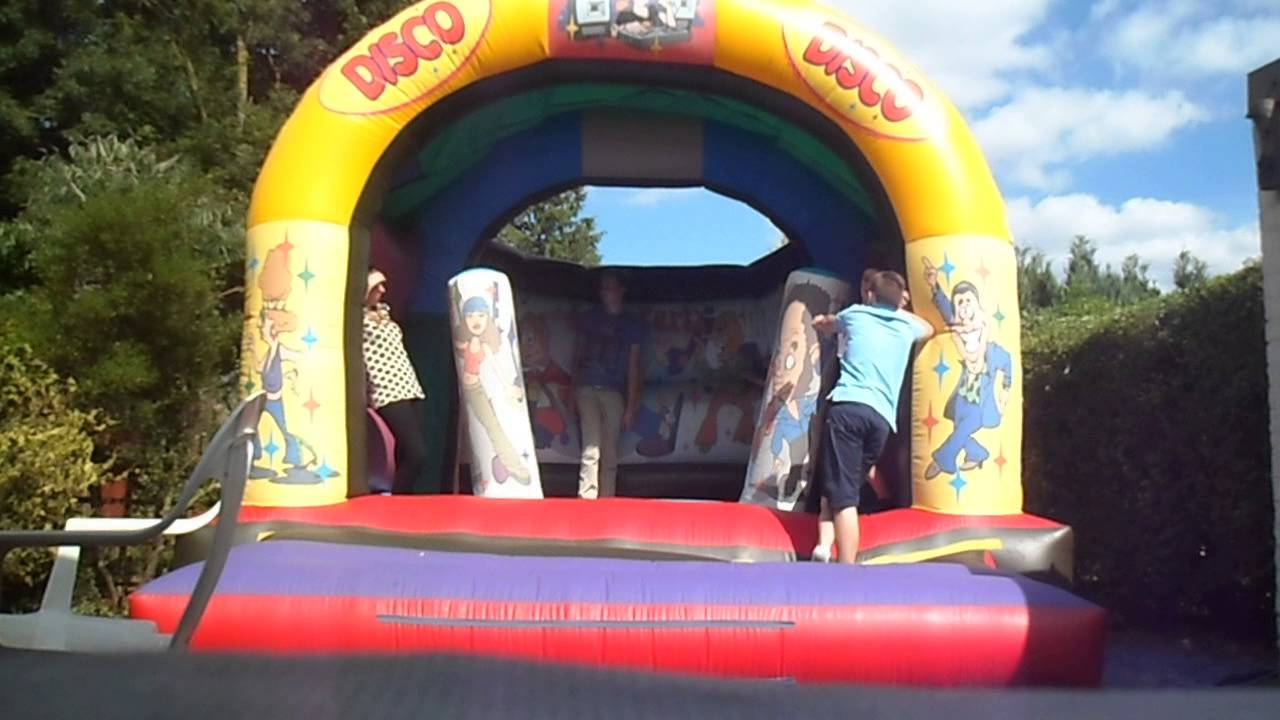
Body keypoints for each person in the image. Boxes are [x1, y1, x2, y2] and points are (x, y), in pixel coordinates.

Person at [812, 271, 936, 564]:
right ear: (900, 300)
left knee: (844, 498)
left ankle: (846, 568)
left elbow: (826, 325)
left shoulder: (856, 315)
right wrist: (901, 310)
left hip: (848, 408)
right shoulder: (907, 326)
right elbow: (929, 328)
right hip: (880, 420)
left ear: (870, 295)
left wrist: (820, 320)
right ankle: (824, 546)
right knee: (841, 485)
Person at [573, 271, 645, 499]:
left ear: (621, 290)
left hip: (614, 391)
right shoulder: (591, 318)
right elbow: (578, 353)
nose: (607, 293)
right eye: (604, 288)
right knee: (591, 448)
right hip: (587, 388)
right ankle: (586, 499)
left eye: (611, 288)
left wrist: (631, 406)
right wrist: (572, 387)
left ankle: (607, 500)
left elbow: (634, 367)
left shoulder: (631, 325)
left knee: (610, 452)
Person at [363, 268, 429, 493]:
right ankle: (395, 500)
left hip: (411, 388)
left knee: (405, 454)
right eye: (376, 286)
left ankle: (404, 505)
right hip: (387, 391)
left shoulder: (384, 313)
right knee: (417, 454)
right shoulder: (357, 319)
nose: (383, 290)